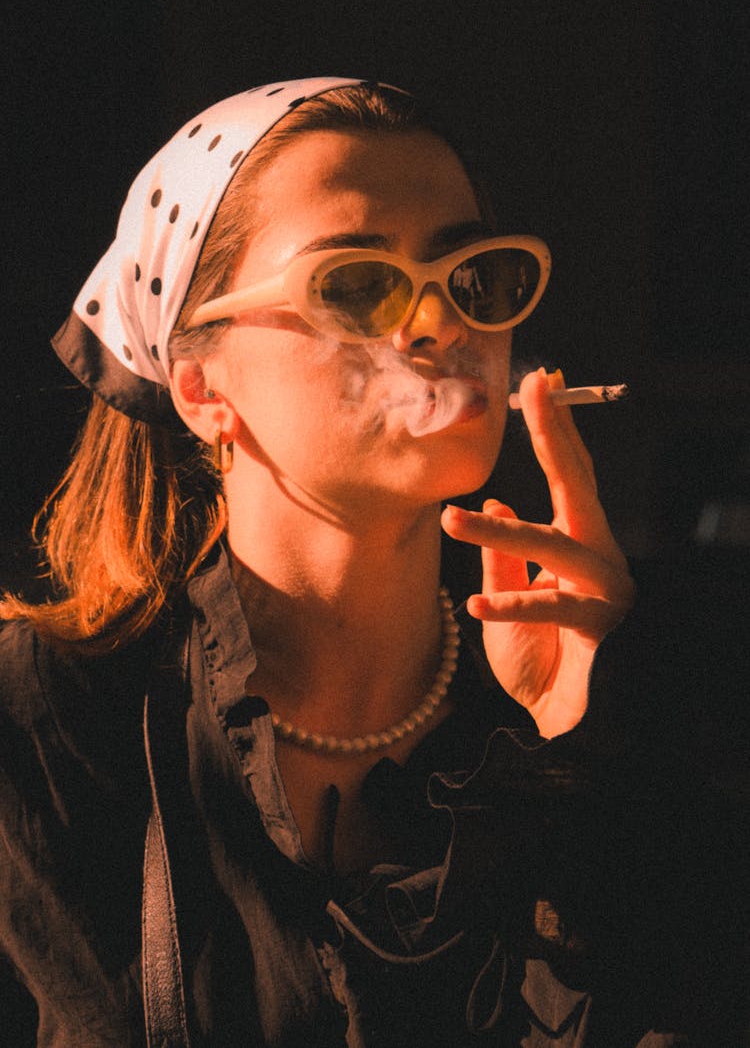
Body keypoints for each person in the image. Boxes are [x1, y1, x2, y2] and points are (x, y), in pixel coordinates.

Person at [0, 78, 746, 1047]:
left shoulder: (640, 698)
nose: (441, 327)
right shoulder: (50, 724)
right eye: (355, 284)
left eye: (476, 276)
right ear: (198, 387)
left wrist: (574, 752)